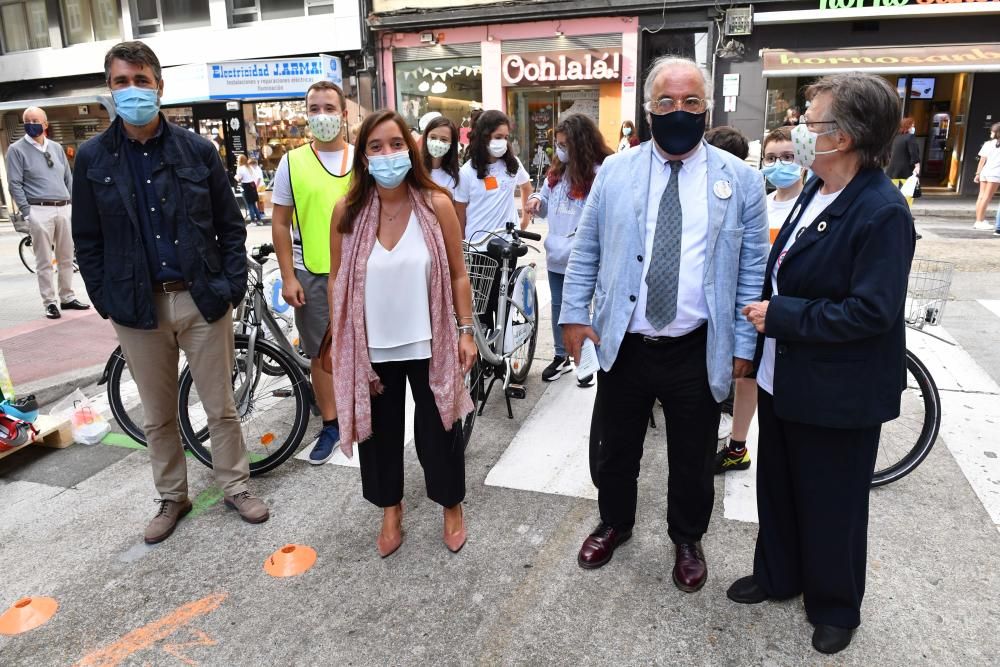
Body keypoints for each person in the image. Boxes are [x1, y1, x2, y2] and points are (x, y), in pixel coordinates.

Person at [560, 56, 768, 592]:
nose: (680, 111)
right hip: (625, 342)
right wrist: (574, 315)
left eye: (691, 102)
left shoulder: (740, 180)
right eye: (667, 102)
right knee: (615, 446)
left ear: (707, 108)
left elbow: (751, 273)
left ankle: (687, 538)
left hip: (696, 346)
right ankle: (614, 523)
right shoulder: (616, 171)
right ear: (649, 111)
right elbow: (587, 248)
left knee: (694, 455)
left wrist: (744, 343)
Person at [728, 73, 916, 655]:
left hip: (839, 390)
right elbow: (782, 266)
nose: (799, 133)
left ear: (846, 135)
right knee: (779, 485)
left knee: (832, 501)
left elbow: (871, 311)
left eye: (810, 123)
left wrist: (781, 317)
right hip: (786, 377)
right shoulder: (816, 189)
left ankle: (835, 604)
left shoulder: (881, 211)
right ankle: (778, 573)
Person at [72, 41, 268, 544]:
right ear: (110, 91)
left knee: (221, 405)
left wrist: (228, 288)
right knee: (158, 416)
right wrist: (107, 299)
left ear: (160, 85)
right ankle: (171, 496)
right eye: (121, 82)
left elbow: (230, 226)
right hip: (137, 307)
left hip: (201, 298)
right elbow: (87, 240)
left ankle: (236, 486)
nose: (132, 90)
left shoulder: (197, 150)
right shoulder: (94, 157)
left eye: (141, 80)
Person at [329, 110, 477, 558]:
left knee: (441, 429)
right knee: (379, 435)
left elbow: (457, 274)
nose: (387, 154)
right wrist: (339, 338)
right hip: (370, 346)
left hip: (429, 341)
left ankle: (451, 506)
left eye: (395, 144)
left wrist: (465, 331)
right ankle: (390, 509)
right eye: (375, 147)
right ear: (363, 157)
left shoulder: (436, 204)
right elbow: (338, 279)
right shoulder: (348, 211)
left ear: (409, 150)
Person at [270, 80, 353, 465]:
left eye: (329, 108)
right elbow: (280, 222)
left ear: (344, 113)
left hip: (363, 273)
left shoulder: (365, 159)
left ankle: (363, 416)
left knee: (369, 348)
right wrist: (289, 276)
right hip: (314, 274)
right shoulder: (293, 162)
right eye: (315, 108)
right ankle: (332, 424)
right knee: (322, 353)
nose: (322, 116)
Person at [714, 125, 804, 475]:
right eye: (771, 157)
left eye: (788, 157)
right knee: (747, 379)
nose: (779, 164)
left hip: (790, 312)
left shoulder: (811, 205)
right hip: (758, 308)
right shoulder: (760, 203)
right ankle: (738, 446)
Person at [526, 114, 611, 386]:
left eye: (564, 144)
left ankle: (588, 360)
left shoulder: (600, 174)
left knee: (589, 311)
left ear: (580, 144)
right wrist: (537, 199)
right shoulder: (556, 173)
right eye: (557, 144)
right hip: (557, 256)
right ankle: (562, 356)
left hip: (585, 260)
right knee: (560, 309)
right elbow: (545, 199)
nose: (559, 150)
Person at [7, 106, 90, 319]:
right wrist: (27, 212)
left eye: (35, 120)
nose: (31, 123)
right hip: (38, 209)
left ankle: (67, 297)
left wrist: (74, 204)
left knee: (66, 256)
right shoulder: (16, 150)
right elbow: (14, 184)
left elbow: (68, 178)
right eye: (27, 120)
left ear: (45, 124)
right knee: (44, 260)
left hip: (64, 207)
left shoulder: (56, 147)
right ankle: (49, 302)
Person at [453, 110, 532, 241]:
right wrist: (463, 243)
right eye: (498, 137)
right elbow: (460, 211)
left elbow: (527, 187)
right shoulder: (467, 171)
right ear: (484, 136)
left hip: (509, 243)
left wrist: (524, 221)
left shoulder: (512, 163)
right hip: (478, 246)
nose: (503, 141)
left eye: (506, 137)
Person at [421, 115, 461, 196]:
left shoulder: (457, 174)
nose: (437, 143)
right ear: (426, 137)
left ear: (451, 144)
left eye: (444, 139)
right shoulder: (415, 169)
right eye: (433, 137)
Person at [886, 117, 921, 207]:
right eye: (912, 125)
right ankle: (906, 210)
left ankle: (891, 208)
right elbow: (913, 152)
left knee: (890, 192)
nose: (913, 127)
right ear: (908, 126)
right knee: (908, 192)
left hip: (892, 170)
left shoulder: (895, 138)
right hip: (906, 170)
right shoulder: (910, 137)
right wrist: (917, 166)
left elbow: (889, 152)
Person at [973, 122, 1000, 231]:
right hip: (995, 174)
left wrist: (978, 173)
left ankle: (978, 220)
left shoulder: (988, 144)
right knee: (987, 198)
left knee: (981, 197)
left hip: (984, 172)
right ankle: (980, 221)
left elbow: (981, 161)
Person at [235, 154, 264, 225]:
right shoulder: (249, 167)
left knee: (249, 205)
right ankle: (259, 220)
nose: (237, 160)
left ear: (240, 160)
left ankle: (253, 221)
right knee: (253, 204)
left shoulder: (240, 168)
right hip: (252, 186)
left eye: (238, 159)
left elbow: (239, 179)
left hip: (246, 186)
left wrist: (235, 177)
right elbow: (255, 177)